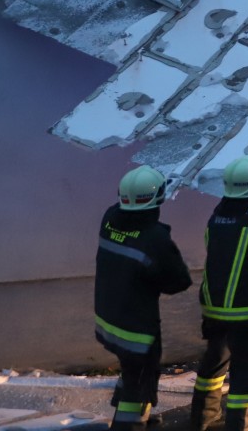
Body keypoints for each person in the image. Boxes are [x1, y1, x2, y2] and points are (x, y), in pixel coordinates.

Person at [94, 165, 193, 431]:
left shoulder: (110, 216)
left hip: (108, 318)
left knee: (130, 367)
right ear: (158, 197)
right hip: (135, 329)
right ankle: (131, 423)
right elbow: (179, 282)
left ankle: (136, 413)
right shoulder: (155, 238)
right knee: (140, 378)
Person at [190, 156, 248, 431]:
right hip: (247, 309)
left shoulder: (219, 212)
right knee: (247, 370)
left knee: (215, 360)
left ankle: (202, 417)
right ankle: (240, 425)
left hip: (214, 307)